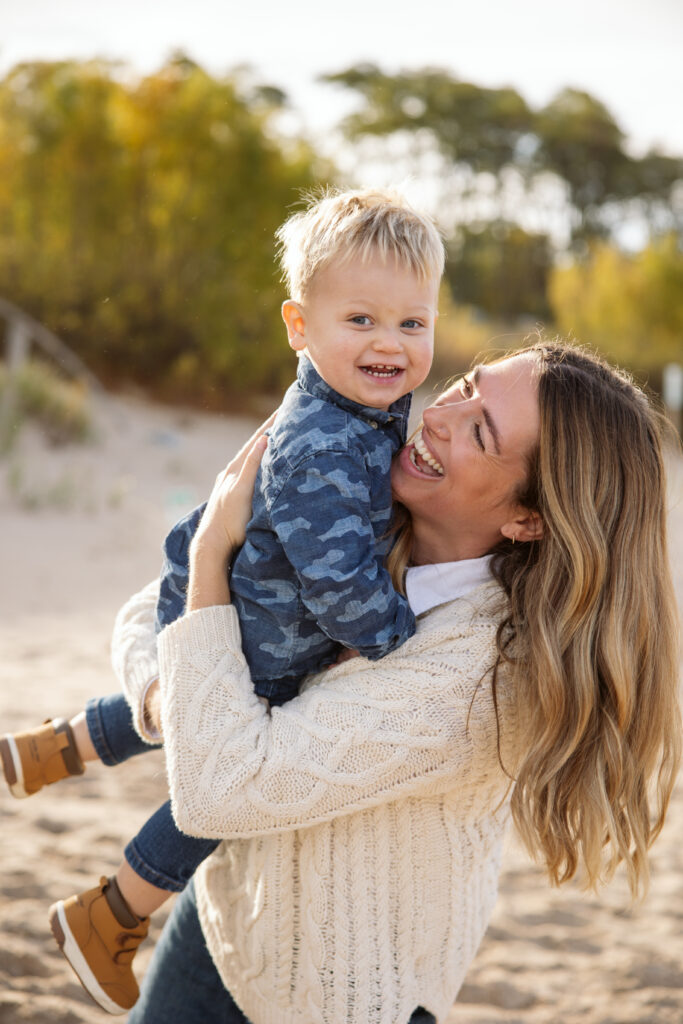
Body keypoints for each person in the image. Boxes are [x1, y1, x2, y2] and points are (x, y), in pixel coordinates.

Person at [108, 340, 680, 1024]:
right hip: (225, 924)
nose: (440, 415)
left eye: (479, 431)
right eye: (465, 385)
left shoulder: (482, 679)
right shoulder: (356, 501)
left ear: (526, 519)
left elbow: (216, 788)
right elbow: (152, 611)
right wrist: (167, 702)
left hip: (344, 1000)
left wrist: (210, 561)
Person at [0, 187, 445, 1014]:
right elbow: (337, 580)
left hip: (242, 610)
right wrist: (396, 634)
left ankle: (59, 745)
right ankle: (110, 911)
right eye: (361, 321)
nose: (389, 344)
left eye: (411, 325)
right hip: (258, 644)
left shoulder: (356, 409)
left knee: (188, 726)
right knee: (227, 779)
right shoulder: (326, 442)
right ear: (298, 326)